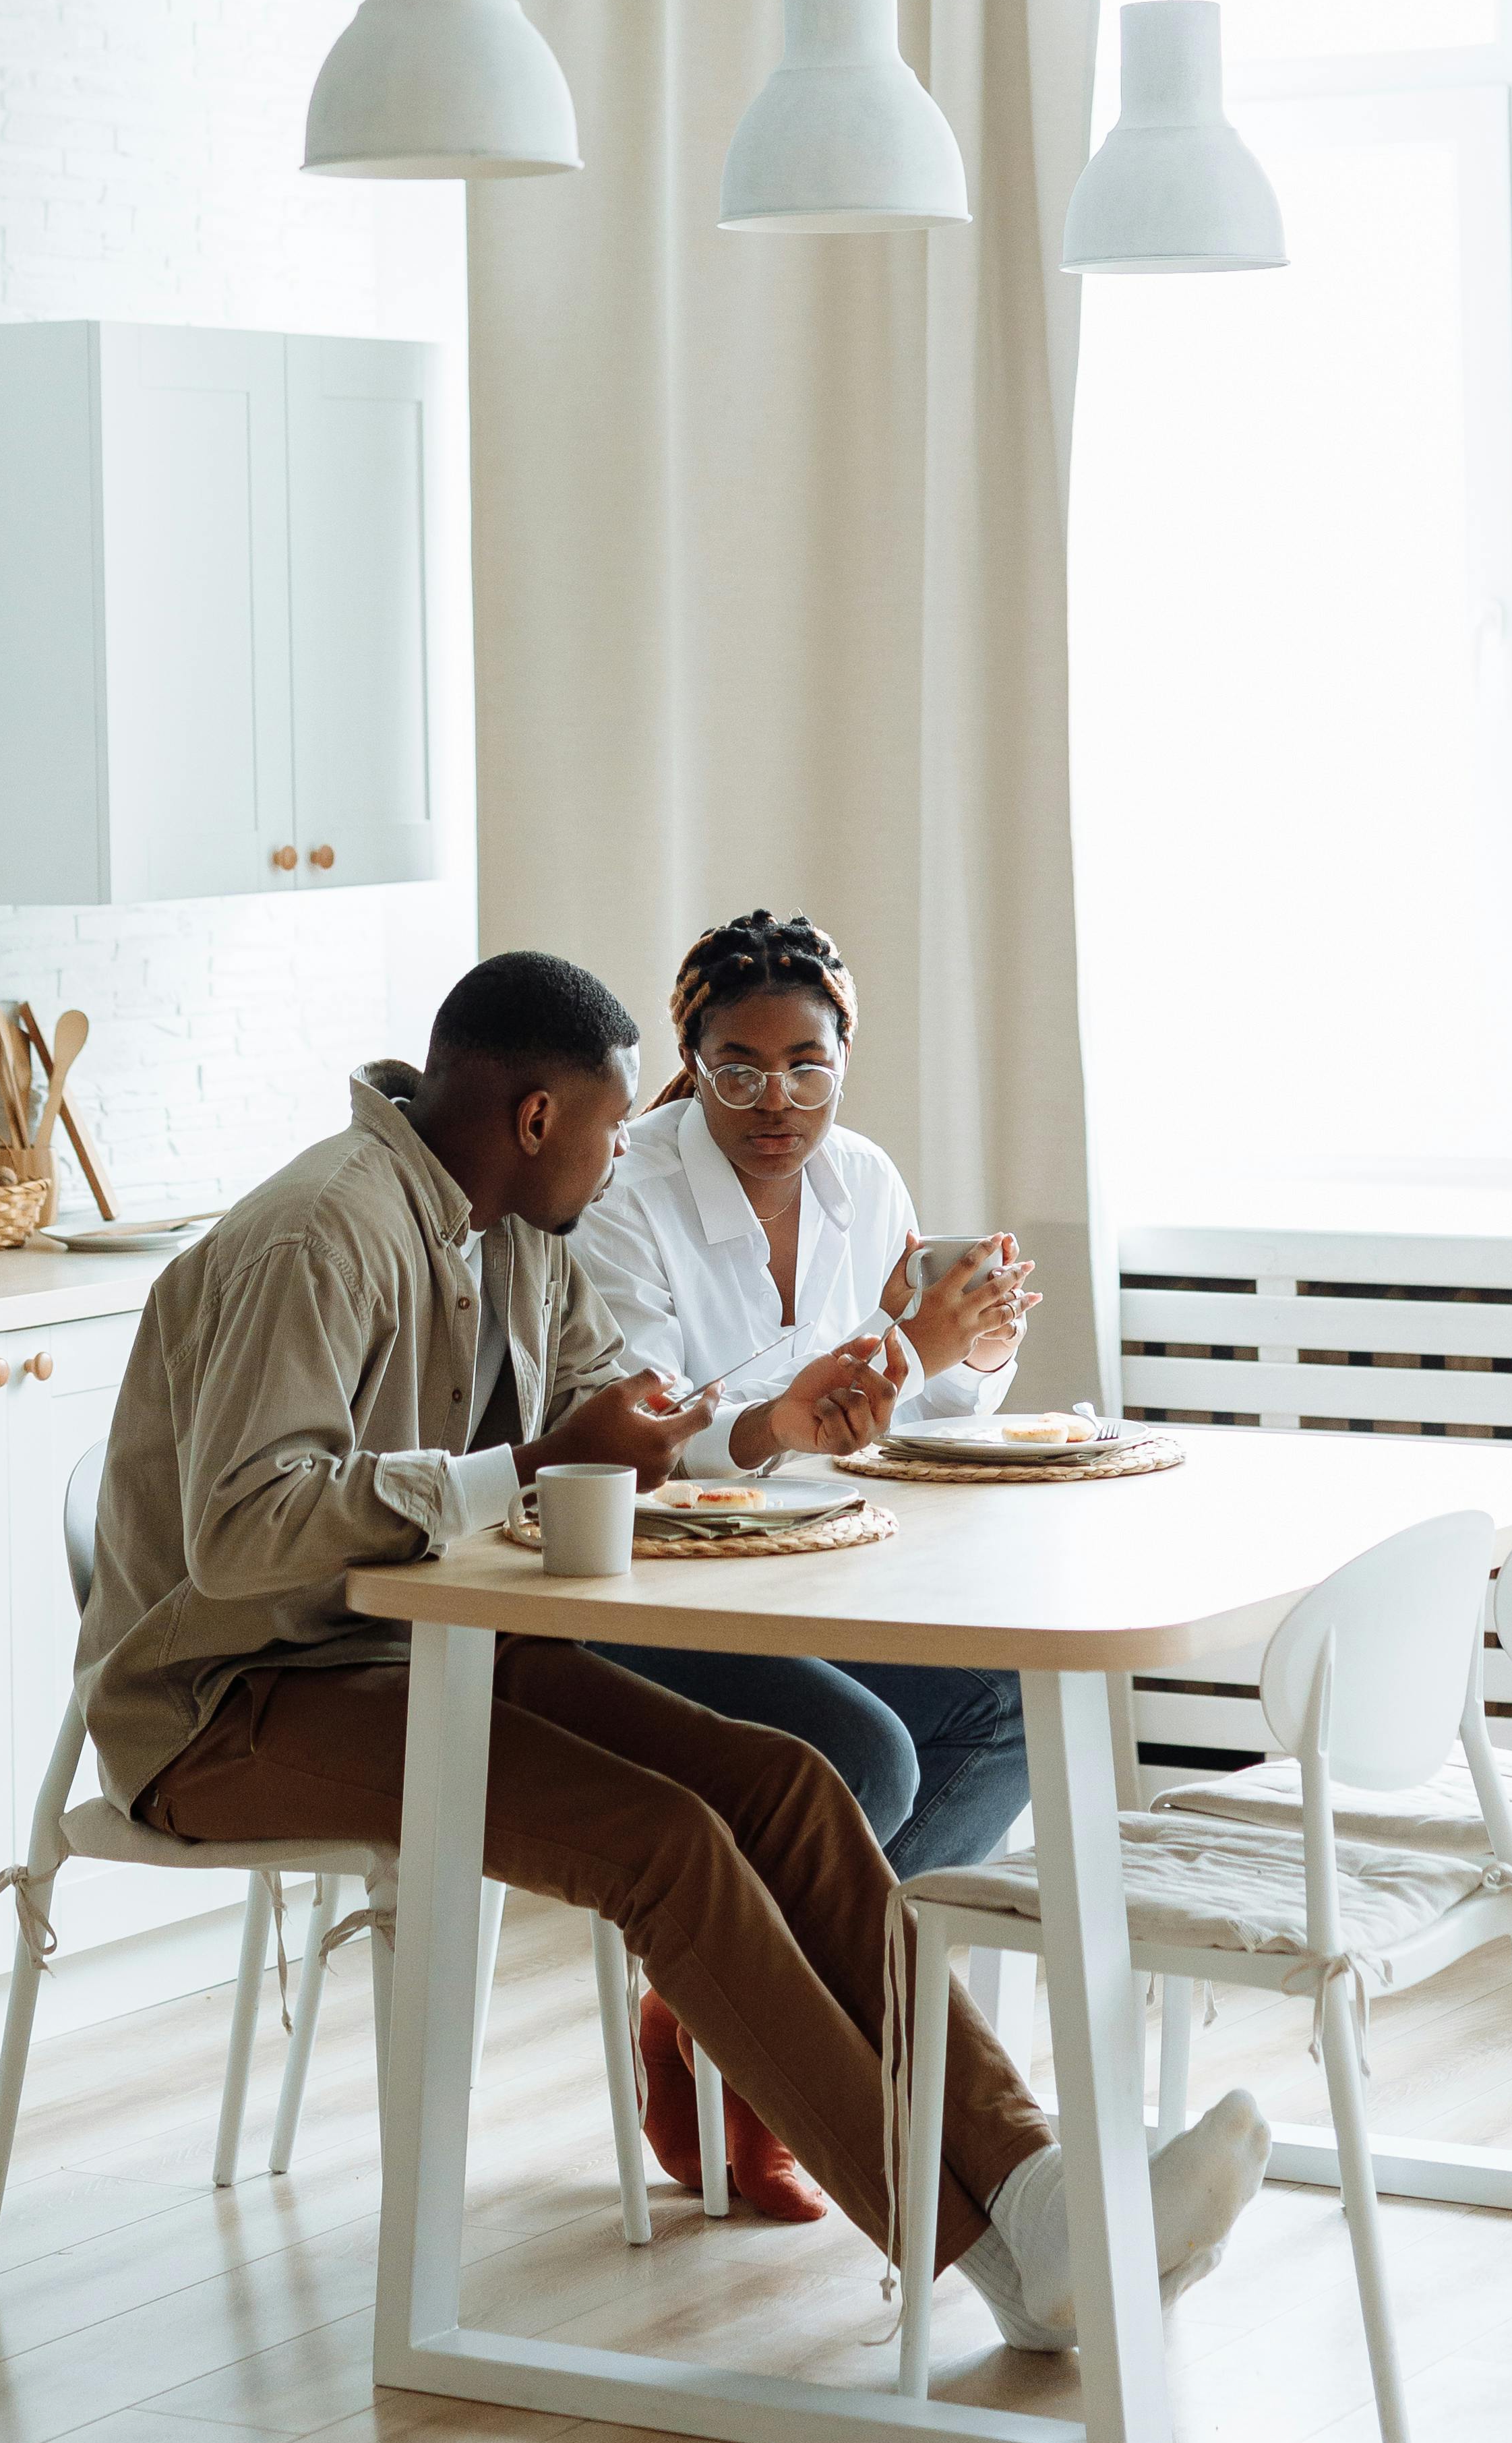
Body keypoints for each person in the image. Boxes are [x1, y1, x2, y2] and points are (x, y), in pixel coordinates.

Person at [84, 947, 1266, 2352]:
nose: (628, 1143)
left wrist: (744, 1428)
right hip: (227, 1703)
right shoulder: (321, 1236)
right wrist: (522, 1461)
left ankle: (1034, 2194)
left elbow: (621, 1418)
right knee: (666, 1840)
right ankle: (1017, 2259)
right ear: (535, 1118)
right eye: (609, 1120)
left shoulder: (515, 1230)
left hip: (426, 1650)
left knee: (783, 1786)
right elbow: (242, 1531)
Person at [578, 906, 1046, 2212]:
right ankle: (761, 2030)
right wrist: (816, 1404)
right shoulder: (625, 1191)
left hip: (811, 1565)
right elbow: (647, 1428)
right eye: (736, 1065)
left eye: (806, 1066)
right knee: (871, 1754)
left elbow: (906, 1417)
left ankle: (712, 1998)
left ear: (844, 1060)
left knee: (1003, 1705)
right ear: (690, 1057)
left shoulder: (867, 1180)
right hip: (645, 1581)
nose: (773, 1099)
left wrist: (977, 1347)